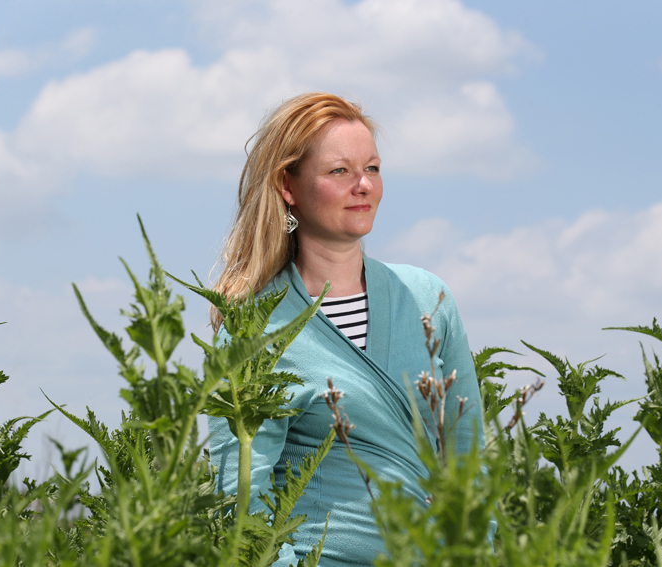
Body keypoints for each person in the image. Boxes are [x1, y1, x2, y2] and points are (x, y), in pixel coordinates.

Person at [208, 92, 486, 566]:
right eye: (340, 171)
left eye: (373, 169)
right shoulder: (255, 326)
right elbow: (240, 499)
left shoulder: (427, 297)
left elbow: (470, 461)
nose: (364, 185)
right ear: (288, 186)